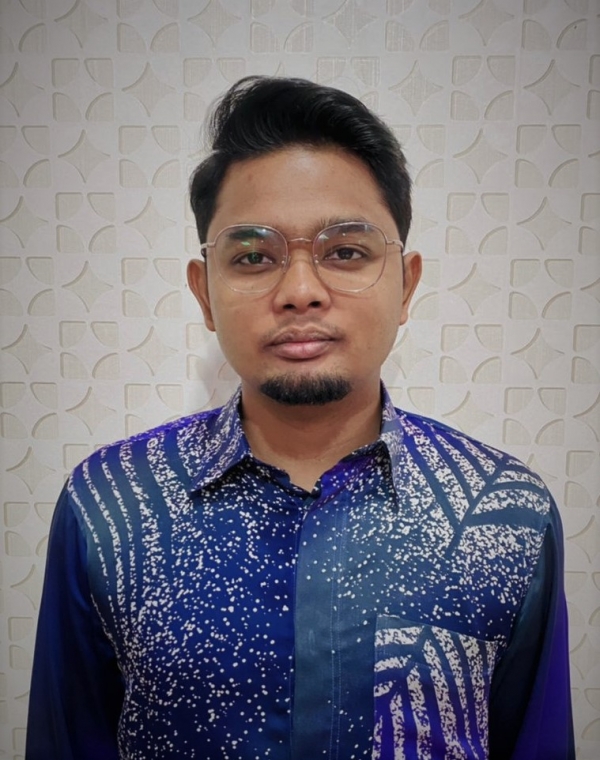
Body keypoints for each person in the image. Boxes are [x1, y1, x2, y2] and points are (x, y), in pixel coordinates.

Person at [26, 76, 574, 760]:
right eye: (254, 257)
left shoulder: (504, 513)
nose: (301, 291)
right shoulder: (109, 507)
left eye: (346, 252)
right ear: (205, 293)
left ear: (407, 284)